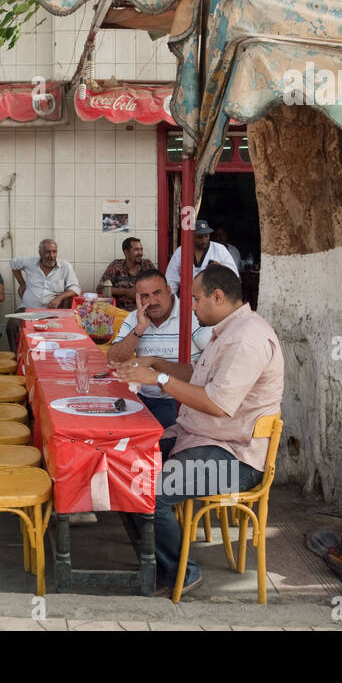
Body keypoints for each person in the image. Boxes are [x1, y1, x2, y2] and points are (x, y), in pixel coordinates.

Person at [116, 265, 284, 595]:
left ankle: (182, 571)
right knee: (122, 469)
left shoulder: (247, 339)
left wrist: (160, 380)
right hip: (201, 437)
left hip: (237, 460)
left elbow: (217, 404)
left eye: (195, 299)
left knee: (149, 492)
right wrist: (154, 363)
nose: (190, 306)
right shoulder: (228, 330)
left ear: (218, 297)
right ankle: (155, 559)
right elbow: (196, 374)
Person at [108, 270, 212, 429]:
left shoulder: (191, 315)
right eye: (145, 296)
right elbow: (113, 359)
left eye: (157, 293)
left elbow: (210, 366)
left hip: (178, 400)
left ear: (169, 291)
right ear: (138, 297)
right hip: (141, 396)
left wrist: (154, 362)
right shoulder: (136, 317)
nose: (153, 301)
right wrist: (140, 328)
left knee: (141, 432)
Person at [7, 239, 81, 351]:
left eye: (54, 252)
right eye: (47, 252)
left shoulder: (65, 267)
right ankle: (17, 357)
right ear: (40, 253)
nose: (51, 256)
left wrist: (59, 298)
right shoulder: (30, 263)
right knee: (12, 325)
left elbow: (75, 288)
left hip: (52, 312)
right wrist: (22, 284)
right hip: (28, 309)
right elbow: (13, 263)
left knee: (59, 330)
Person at [164, 219, 239, 295]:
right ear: (191, 236)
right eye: (199, 237)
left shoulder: (220, 249)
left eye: (206, 236)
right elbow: (171, 279)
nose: (204, 240)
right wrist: (171, 299)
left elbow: (234, 276)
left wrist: (219, 269)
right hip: (188, 298)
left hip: (213, 299)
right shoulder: (181, 251)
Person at [98, 237, 156, 312]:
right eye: (136, 250)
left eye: (141, 249)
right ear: (126, 252)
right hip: (120, 314)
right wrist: (126, 292)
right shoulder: (116, 266)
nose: (140, 253)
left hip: (144, 313)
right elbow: (100, 289)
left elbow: (157, 288)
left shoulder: (147, 265)